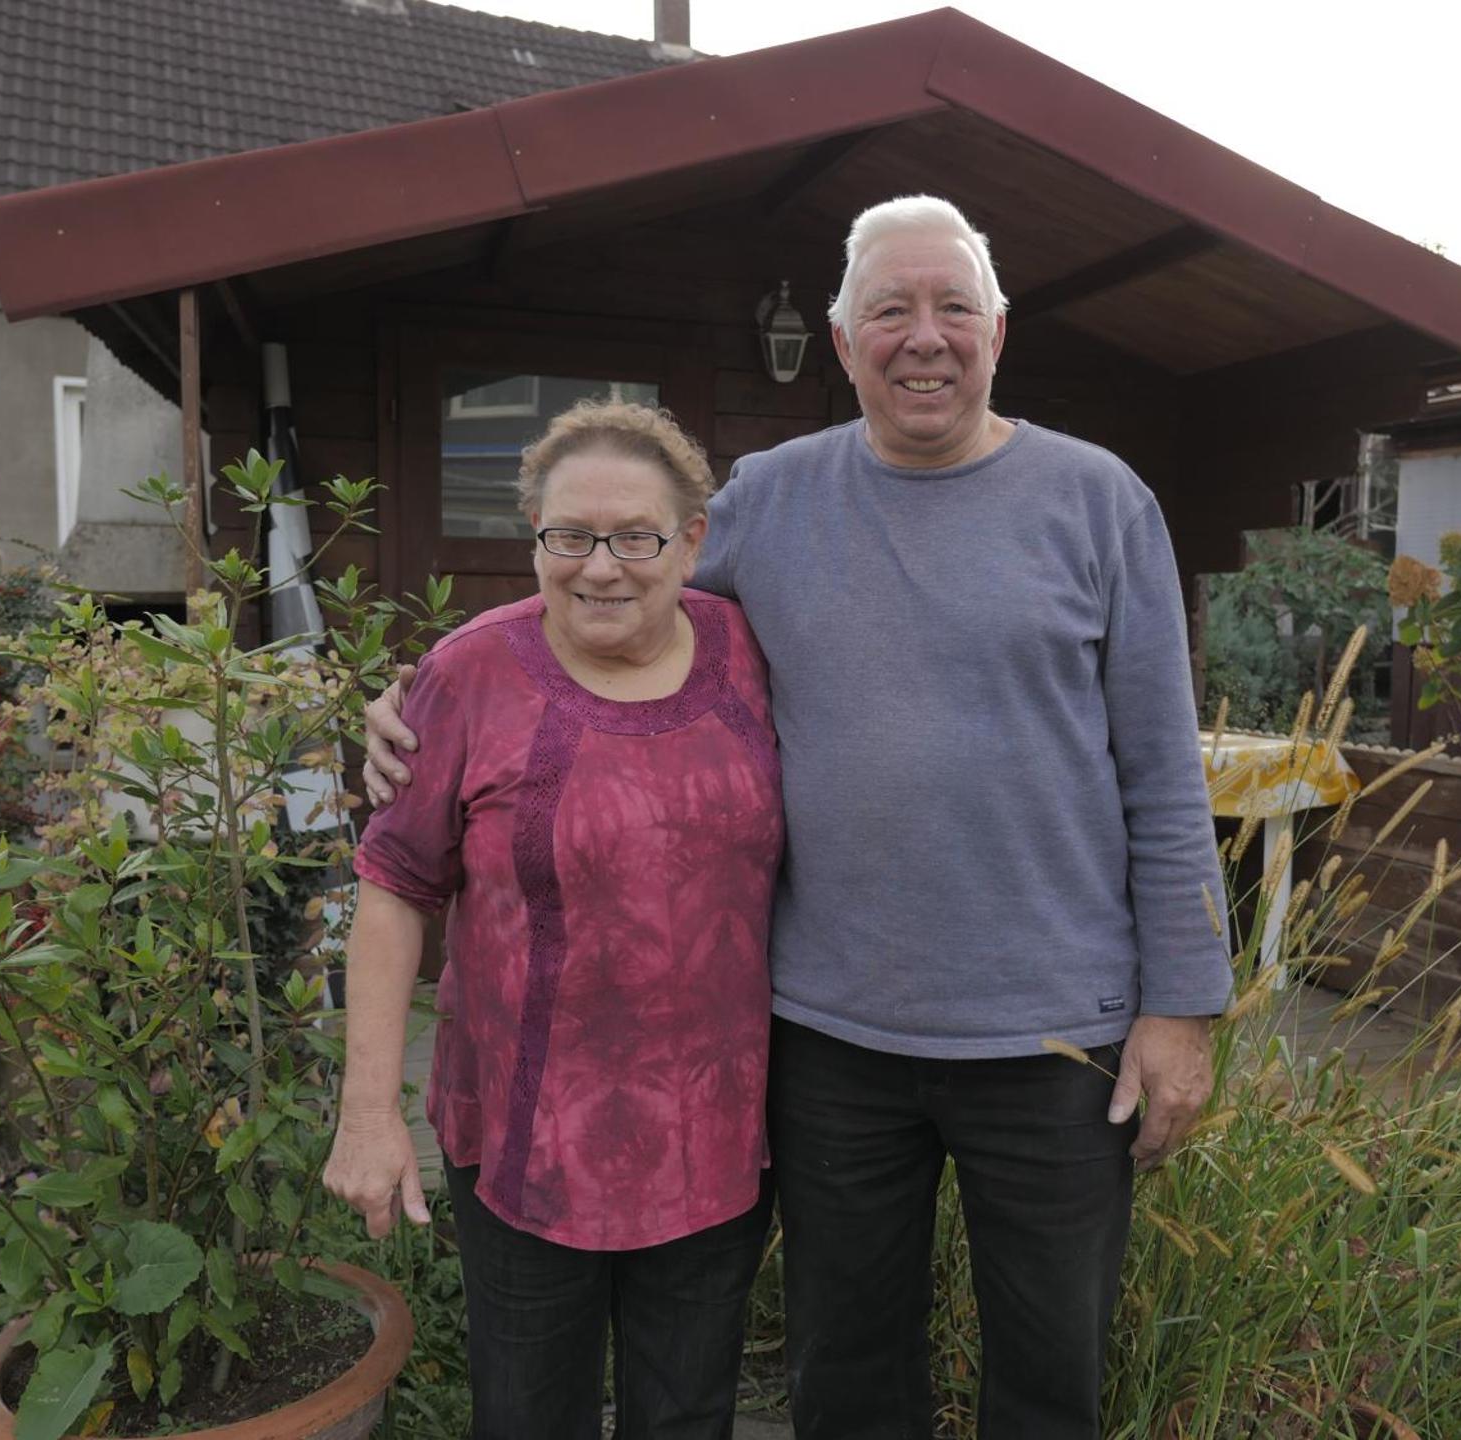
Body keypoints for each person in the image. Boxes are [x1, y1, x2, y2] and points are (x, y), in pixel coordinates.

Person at [364, 196, 1233, 1439]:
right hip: (831, 1037)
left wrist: (1182, 1007)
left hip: (1056, 1038)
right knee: (847, 1373)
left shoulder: (1099, 503)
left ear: (999, 329)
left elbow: (1164, 772)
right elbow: (600, 604)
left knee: (1050, 1378)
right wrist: (412, 701)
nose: (921, 337)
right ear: (843, 340)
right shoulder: (769, 500)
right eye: (891, 309)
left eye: (950, 309)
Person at [324, 400, 784, 1440]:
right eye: (569, 537)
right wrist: (368, 1112)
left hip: (715, 1141)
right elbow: (395, 886)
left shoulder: (752, 653)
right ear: (535, 537)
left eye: (636, 537)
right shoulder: (469, 674)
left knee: (687, 1420)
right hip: (526, 1144)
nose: (601, 567)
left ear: (694, 539)